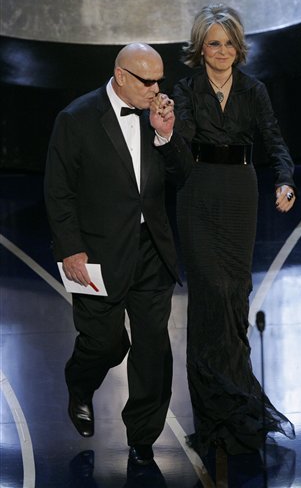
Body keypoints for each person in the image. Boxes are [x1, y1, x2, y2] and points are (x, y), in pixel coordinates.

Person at [44, 43, 192, 466]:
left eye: (161, 79)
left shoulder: (158, 112)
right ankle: (80, 383)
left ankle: (143, 438)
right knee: (106, 343)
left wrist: (166, 134)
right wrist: (70, 249)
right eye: (148, 81)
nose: (157, 88)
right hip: (97, 253)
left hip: (151, 251)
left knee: (152, 348)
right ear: (121, 75)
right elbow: (58, 191)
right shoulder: (76, 118)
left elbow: (184, 177)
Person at [172, 4, 296, 457]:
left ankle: (238, 403)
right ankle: (212, 411)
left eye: (228, 43)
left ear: (238, 47)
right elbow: (179, 137)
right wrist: (167, 126)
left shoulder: (253, 90)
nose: (222, 51)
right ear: (200, 48)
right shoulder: (184, 90)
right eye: (213, 43)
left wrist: (284, 178)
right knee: (210, 293)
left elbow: (274, 139)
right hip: (198, 193)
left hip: (241, 194)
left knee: (235, 293)